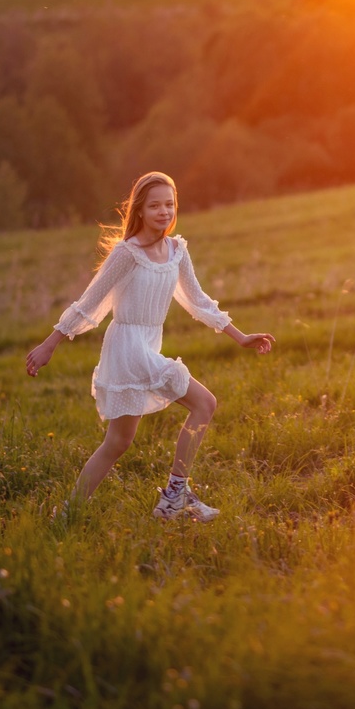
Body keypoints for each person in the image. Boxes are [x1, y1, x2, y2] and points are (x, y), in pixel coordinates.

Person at [25, 171, 274, 522]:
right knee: (205, 403)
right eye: (155, 205)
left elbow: (199, 301)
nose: (164, 211)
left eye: (170, 204)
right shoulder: (127, 254)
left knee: (118, 443)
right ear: (140, 210)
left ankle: (69, 513)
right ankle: (175, 496)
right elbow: (89, 302)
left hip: (146, 346)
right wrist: (50, 343)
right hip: (127, 348)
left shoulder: (176, 251)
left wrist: (240, 335)